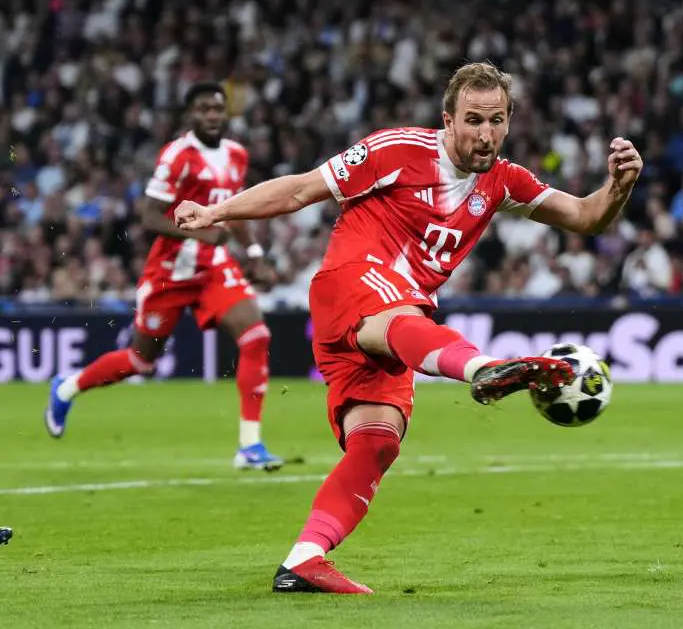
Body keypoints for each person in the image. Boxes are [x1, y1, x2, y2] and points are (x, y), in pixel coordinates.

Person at [174, 61, 643, 594]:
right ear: (448, 120)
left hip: (395, 328)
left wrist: (619, 186)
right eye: (473, 120)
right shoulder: (395, 150)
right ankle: (484, 368)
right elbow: (301, 190)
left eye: (496, 121)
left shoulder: (503, 181)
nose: (485, 134)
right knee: (404, 316)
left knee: (377, 442)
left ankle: (304, 558)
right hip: (352, 284)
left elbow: (584, 216)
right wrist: (217, 213)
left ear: (509, 121)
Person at [45, 83, 283, 471]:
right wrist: (202, 233)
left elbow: (236, 211)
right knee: (141, 362)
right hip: (170, 271)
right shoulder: (177, 156)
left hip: (213, 268)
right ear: (191, 114)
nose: (211, 115)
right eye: (203, 109)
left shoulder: (236, 155)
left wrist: (255, 256)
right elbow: (150, 217)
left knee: (256, 335)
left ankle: (250, 446)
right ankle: (68, 387)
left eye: (217, 108)